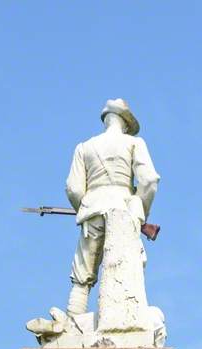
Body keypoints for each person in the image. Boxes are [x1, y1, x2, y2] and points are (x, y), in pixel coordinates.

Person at [64, 99, 160, 316]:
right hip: (125, 211)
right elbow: (149, 181)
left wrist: (86, 207)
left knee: (83, 274)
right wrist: (140, 212)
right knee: (125, 265)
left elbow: (73, 188)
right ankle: (125, 317)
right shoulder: (134, 143)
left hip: (93, 209)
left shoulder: (84, 147)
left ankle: (73, 319)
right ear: (125, 123)